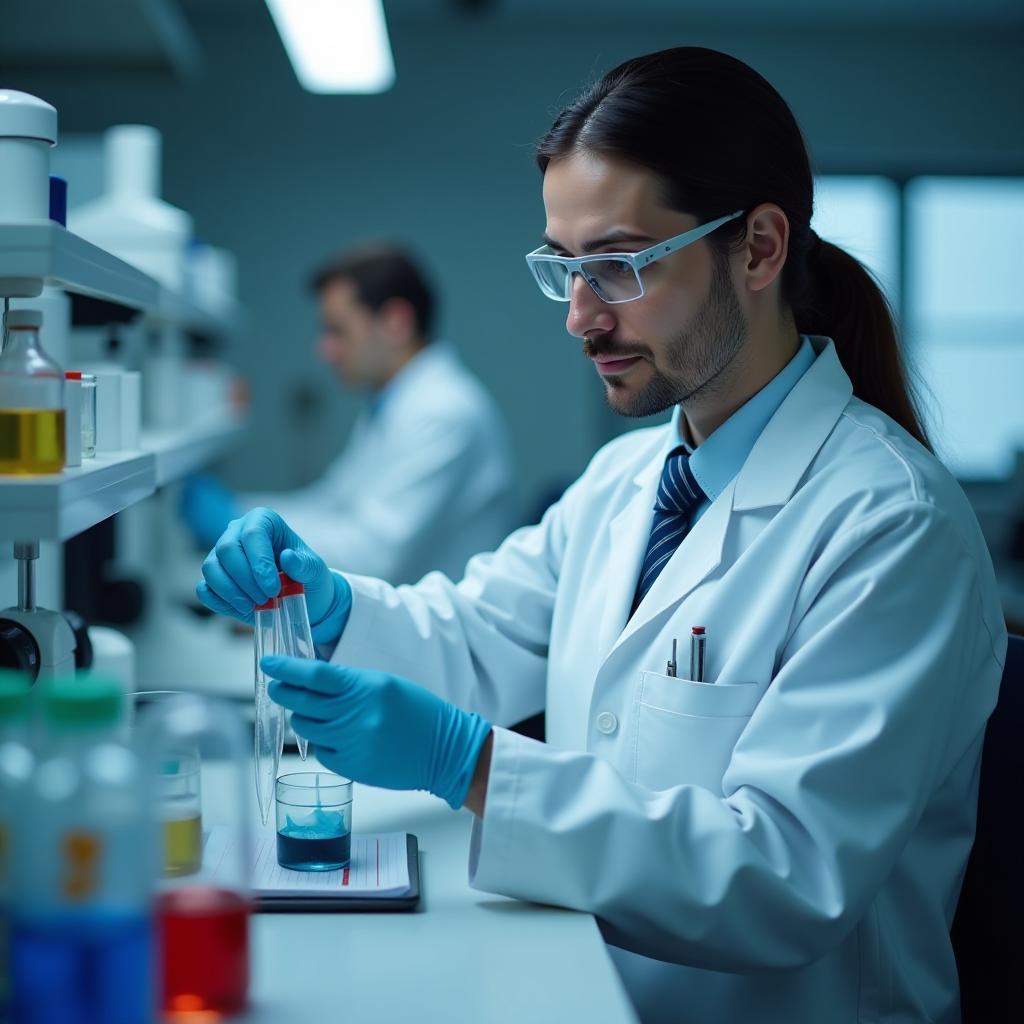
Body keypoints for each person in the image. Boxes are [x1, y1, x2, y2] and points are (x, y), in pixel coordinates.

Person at [196, 48, 1007, 1024]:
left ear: (756, 248)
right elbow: (475, 635)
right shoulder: (629, 481)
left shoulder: (890, 525)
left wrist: (473, 762)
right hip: (591, 986)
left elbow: (786, 875)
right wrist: (329, 605)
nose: (580, 316)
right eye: (565, 268)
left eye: (618, 266)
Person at [182, 243, 514, 584]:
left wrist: (236, 523)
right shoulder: (395, 404)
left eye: (337, 330)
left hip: (439, 629)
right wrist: (242, 513)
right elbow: (332, 503)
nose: (325, 350)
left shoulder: (443, 413)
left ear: (396, 322)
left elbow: (371, 555)